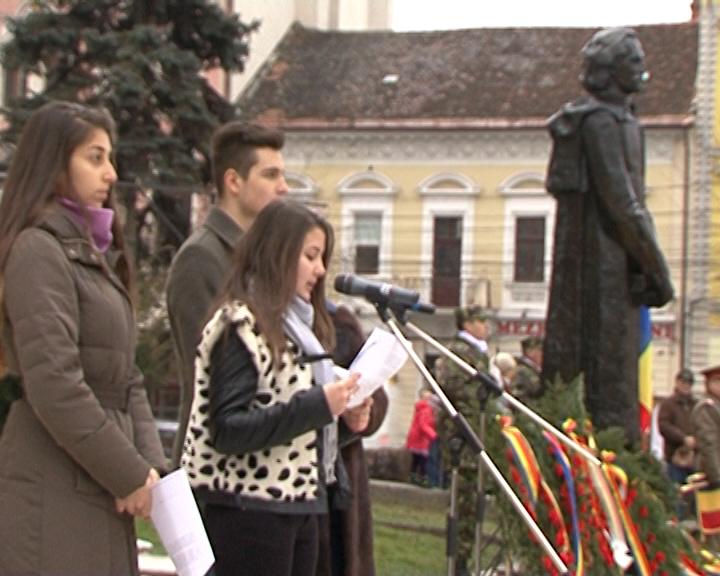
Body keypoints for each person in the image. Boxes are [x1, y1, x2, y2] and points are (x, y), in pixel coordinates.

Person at [0, 101, 166, 575]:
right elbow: (54, 384)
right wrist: (129, 472)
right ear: (54, 164)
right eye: (94, 158)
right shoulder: (38, 250)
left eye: (110, 158)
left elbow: (125, 375)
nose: (111, 174)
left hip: (95, 475)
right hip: (53, 479)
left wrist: (152, 471)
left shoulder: (92, 255)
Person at [181, 200, 369, 576]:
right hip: (248, 510)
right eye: (311, 256)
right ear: (278, 255)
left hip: (301, 506)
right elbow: (228, 428)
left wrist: (345, 421)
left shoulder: (303, 331)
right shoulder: (240, 324)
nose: (320, 269)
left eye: (322, 258)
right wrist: (319, 405)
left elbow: (292, 430)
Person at [542, 27, 674, 444]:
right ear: (610, 70)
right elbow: (623, 206)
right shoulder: (599, 122)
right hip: (597, 274)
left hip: (616, 272)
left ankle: (620, 459)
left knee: (616, 376)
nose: (643, 68)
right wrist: (659, 270)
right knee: (603, 376)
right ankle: (604, 459)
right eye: (633, 60)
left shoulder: (624, 121)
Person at [166, 121, 288, 467]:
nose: (284, 187)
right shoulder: (202, 258)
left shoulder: (259, 259)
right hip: (213, 468)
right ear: (233, 181)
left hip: (258, 464)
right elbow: (211, 375)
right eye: (270, 175)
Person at [317, 303, 389, 576]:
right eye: (309, 258)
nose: (318, 269)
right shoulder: (266, 320)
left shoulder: (340, 324)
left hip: (343, 488)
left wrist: (364, 411)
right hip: (292, 487)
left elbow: (378, 398)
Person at [437, 305, 491, 575]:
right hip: (464, 438)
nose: (486, 326)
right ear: (467, 323)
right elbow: (451, 385)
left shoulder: (479, 352)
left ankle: (466, 557)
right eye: (481, 320)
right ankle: (458, 560)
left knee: (473, 503)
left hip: (477, 435)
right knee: (463, 502)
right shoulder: (458, 351)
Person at [692, 365, 720, 551]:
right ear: (708, 384)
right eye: (718, 381)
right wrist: (716, 476)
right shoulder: (706, 408)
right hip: (713, 476)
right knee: (713, 529)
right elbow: (709, 444)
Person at [658, 368, 698, 486]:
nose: (686, 385)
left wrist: (696, 441)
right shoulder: (668, 404)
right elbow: (663, 426)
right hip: (674, 458)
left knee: (694, 497)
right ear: (677, 382)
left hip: (695, 459)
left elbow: (703, 426)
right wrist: (683, 439)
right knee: (676, 495)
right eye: (683, 382)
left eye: (689, 383)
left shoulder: (697, 405)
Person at [406, 388, 438, 486]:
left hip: (416, 437)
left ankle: (414, 475)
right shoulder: (426, 410)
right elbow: (423, 425)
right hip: (421, 439)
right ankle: (422, 478)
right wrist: (433, 435)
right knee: (423, 460)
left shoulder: (421, 408)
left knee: (416, 459)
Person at [511, 336, 543, 401]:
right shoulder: (522, 370)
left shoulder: (532, 368)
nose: (542, 354)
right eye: (539, 350)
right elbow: (536, 389)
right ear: (530, 352)